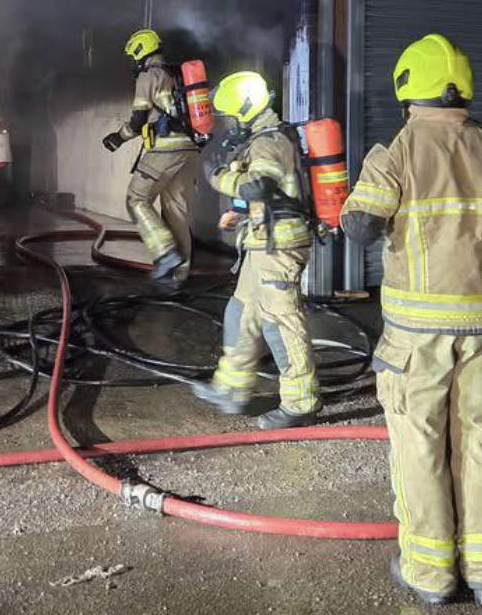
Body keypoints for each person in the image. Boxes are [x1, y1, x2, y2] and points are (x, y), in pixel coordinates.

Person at [341, 33, 482, 607]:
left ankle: (430, 572)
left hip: (417, 334)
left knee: (420, 442)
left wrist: (342, 203)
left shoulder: (397, 150)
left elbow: (360, 227)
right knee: (478, 439)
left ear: (408, 86)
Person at [190, 70, 321, 429]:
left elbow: (258, 185)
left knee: (281, 323)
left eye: (233, 116)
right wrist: (240, 212)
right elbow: (270, 192)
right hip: (263, 241)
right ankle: (232, 388)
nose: (231, 124)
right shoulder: (265, 140)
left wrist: (217, 176)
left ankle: (301, 404)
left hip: (279, 247)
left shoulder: (269, 142)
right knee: (241, 312)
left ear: (246, 108)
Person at [102, 29, 199, 284]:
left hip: (166, 149)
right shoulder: (177, 75)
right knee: (176, 212)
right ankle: (177, 278)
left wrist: (117, 138)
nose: (133, 62)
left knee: (136, 199)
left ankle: (165, 253)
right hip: (190, 149)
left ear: (140, 51)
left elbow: (138, 121)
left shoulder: (149, 76)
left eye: (133, 57)